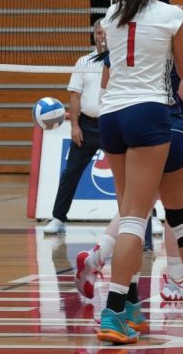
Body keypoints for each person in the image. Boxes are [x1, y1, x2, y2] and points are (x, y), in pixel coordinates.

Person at [95, 0, 183, 344]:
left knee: (129, 211)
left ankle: (131, 306)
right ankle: (113, 312)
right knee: (136, 218)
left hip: (110, 117)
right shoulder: (170, 15)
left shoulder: (111, 14)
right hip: (147, 114)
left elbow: (113, 69)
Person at [43, 19, 106, 235]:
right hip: (87, 126)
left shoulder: (121, 61)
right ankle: (58, 218)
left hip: (113, 125)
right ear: (94, 36)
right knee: (70, 173)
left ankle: (148, 217)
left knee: (133, 175)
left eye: (105, 32)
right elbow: (74, 95)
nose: (102, 36)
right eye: (98, 33)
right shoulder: (84, 62)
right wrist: (75, 126)